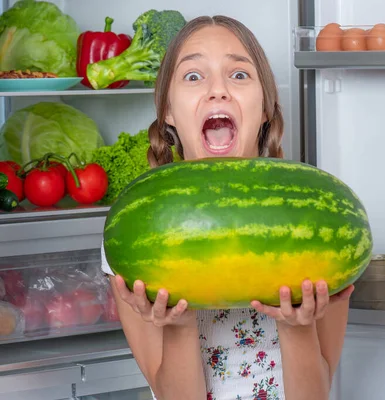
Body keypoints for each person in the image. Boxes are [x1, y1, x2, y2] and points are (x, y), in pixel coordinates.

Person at [100, 15, 354, 400]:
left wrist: (297, 326)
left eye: (238, 75)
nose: (217, 90)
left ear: (267, 106)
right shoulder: (137, 226)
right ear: (167, 111)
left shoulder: (317, 216)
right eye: (193, 76)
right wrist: (178, 325)